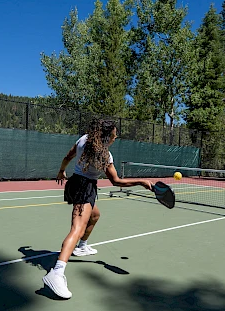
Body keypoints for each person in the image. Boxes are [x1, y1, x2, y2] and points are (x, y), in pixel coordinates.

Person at [42, 119, 154, 299]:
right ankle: (56, 272)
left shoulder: (83, 140)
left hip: (74, 184)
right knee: (77, 229)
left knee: (95, 215)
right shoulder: (105, 156)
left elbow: (68, 156)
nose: (115, 138)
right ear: (107, 136)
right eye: (114, 135)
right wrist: (141, 182)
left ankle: (81, 247)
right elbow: (116, 181)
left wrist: (61, 171)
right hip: (85, 188)